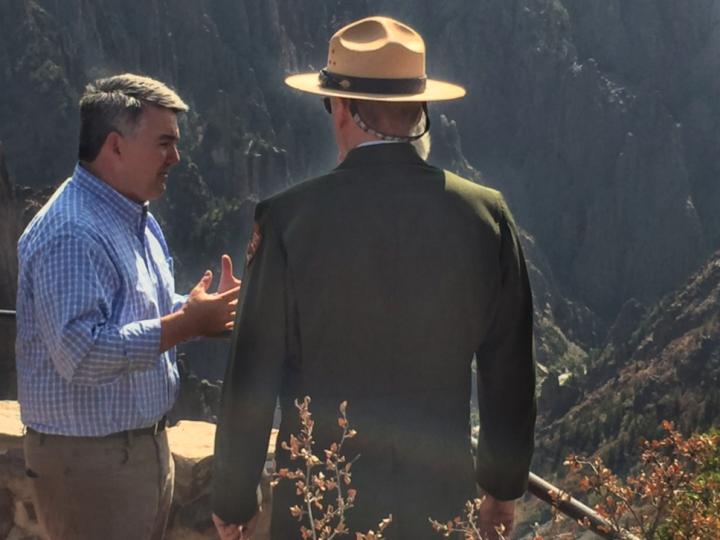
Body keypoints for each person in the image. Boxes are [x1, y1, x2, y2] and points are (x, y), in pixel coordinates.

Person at [211, 16, 536, 540]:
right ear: (421, 112)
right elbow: (510, 370)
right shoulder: (485, 218)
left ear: (341, 109)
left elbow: (253, 371)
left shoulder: (288, 220)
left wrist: (233, 498)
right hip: (438, 500)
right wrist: (501, 487)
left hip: (321, 502)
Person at [16, 73, 241, 540]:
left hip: (131, 456)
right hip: (89, 469)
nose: (176, 158)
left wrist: (206, 313)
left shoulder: (132, 216)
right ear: (115, 146)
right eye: (164, 143)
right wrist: (184, 323)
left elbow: (142, 312)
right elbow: (81, 352)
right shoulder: (72, 232)